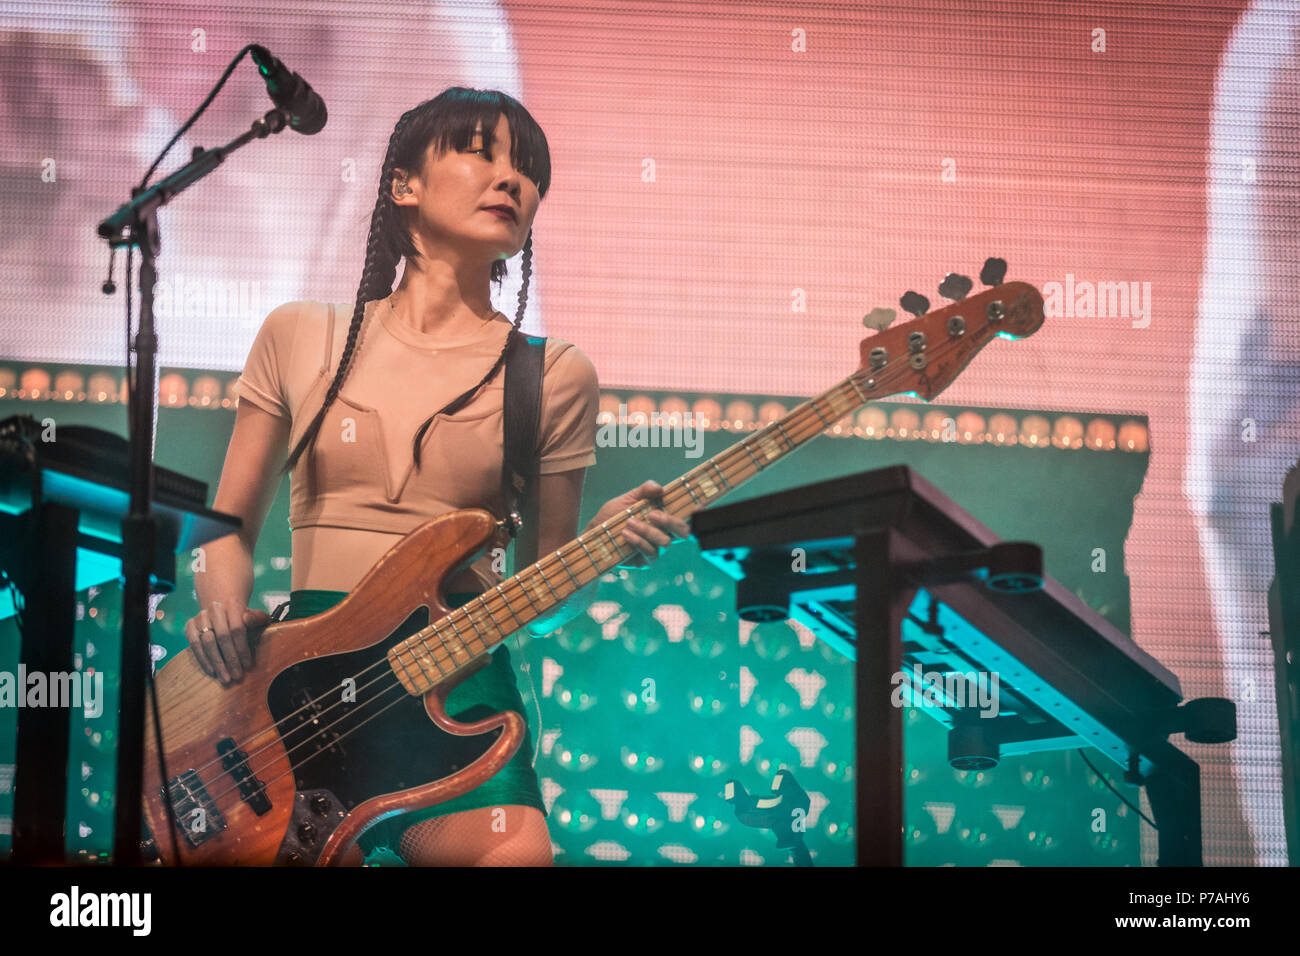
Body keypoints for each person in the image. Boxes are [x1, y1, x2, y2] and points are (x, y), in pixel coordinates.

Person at [183, 87, 690, 866]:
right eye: (481, 153)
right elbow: (226, 529)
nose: (511, 180)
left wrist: (600, 546)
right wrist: (221, 613)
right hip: (295, 691)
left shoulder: (552, 375)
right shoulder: (298, 335)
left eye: (528, 172)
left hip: (457, 689)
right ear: (403, 185)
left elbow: (542, 604)